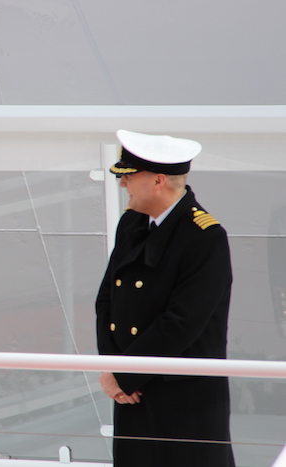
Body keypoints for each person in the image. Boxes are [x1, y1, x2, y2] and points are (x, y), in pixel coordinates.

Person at [95, 130, 235, 466]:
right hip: (133, 393)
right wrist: (114, 371)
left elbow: (183, 322)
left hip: (182, 398)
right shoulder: (131, 224)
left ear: (158, 181)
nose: (122, 185)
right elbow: (106, 301)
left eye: (129, 177)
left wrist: (125, 375)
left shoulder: (205, 237)